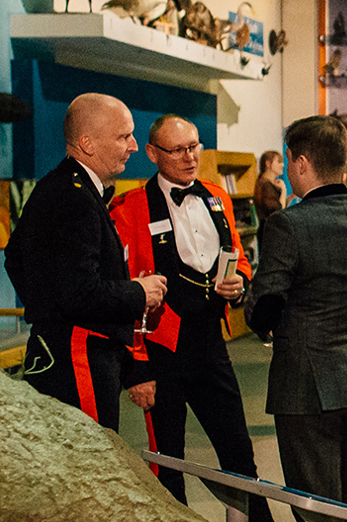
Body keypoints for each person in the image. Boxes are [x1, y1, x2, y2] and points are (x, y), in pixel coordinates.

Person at [106, 115, 275, 521]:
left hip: (211, 344)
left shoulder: (219, 196)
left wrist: (240, 282)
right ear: (152, 153)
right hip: (162, 350)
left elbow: (237, 252)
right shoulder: (129, 209)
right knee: (168, 461)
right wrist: (137, 366)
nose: (190, 156)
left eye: (194, 146)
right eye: (178, 149)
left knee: (238, 449)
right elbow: (121, 291)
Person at [249, 116, 347, 521]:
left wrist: (255, 313)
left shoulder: (289, 223)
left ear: (301, 163)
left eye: (289, 161)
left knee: (315, 505)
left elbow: (265, 306)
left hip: (305, 386)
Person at [4, 93, 166, 430]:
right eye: (124, 136)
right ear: (87, 143)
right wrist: (139, 293)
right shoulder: (72, 196)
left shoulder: (62, 187)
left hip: (68, 351)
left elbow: (15, 259)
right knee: (91, 466)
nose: (134, 146)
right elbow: (79, 292)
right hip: (79, 358)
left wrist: (47, 308)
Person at [255, 150, 286, 223]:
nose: (282, 165)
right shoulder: (266, 186)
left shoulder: (266, 184)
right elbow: (279, 212)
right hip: (269, 230)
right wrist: (283, 190)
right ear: (268, 164)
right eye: (278, 162)